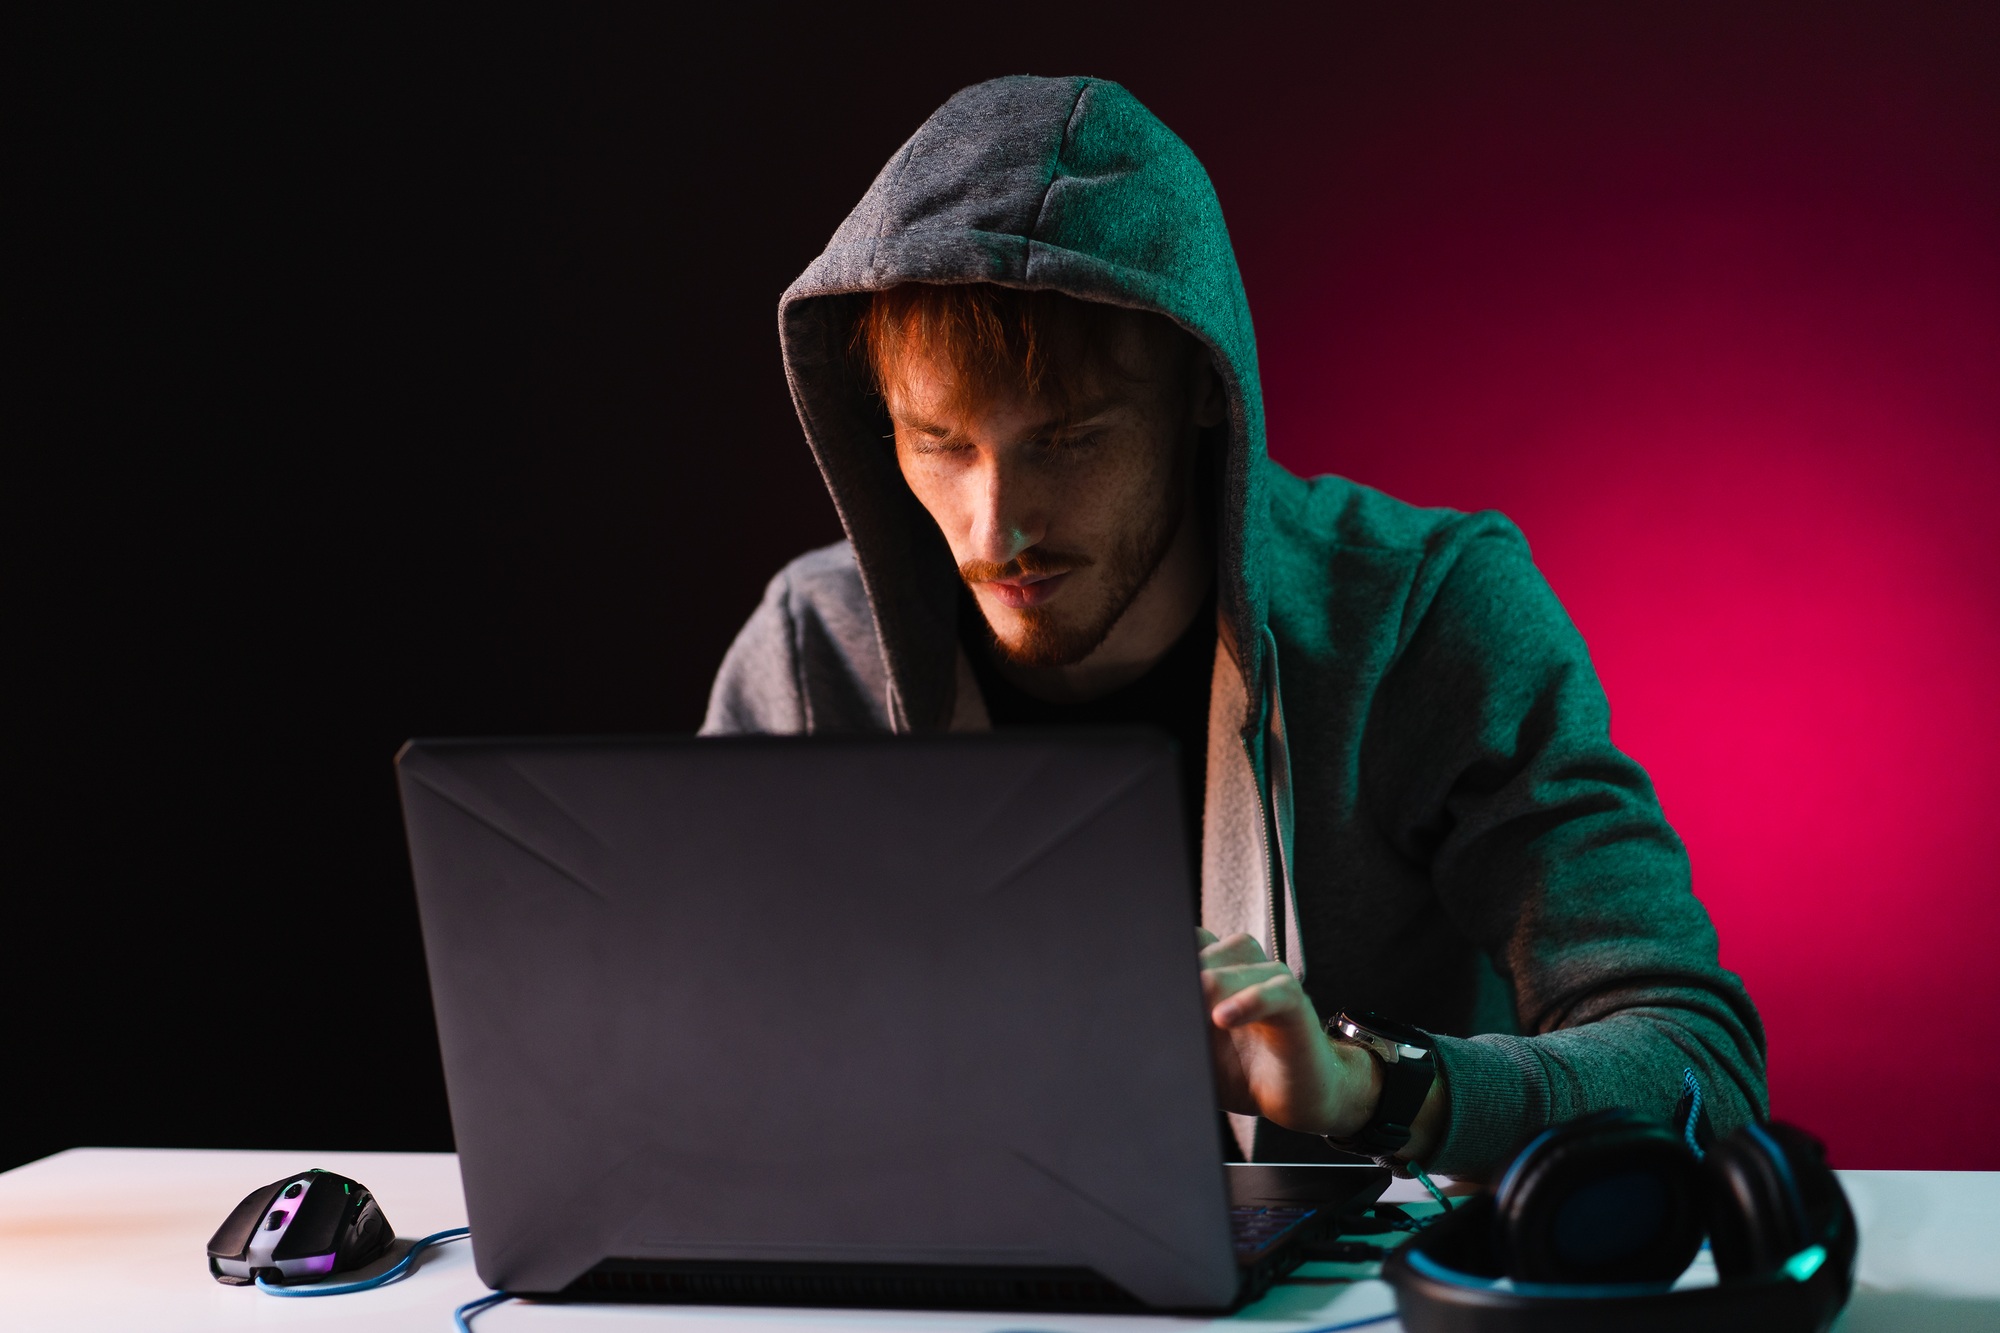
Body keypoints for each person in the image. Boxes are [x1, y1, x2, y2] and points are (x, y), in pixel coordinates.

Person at [702, 75, 1766, 1180]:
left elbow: (1698, 1062)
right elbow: (682, 1034)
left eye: (1069, 440)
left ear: (1201, 392)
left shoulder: (1424, 616)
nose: (996, 526)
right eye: (939, 443)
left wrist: (1368, 1086)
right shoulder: (810, 649)